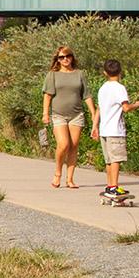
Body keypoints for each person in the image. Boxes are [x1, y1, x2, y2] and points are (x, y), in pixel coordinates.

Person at [42, 46, 98, 188]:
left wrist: (93, 113)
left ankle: (70, 179)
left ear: (72, 57)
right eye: (61, 57)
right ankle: (58, 173)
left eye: (67, 56)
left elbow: (86, 95)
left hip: (76, 114)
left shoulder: (80, 74)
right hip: (58, 114)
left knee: (73, 146)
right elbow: (47, 95)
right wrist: (45, 114)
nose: (65, 59)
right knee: (63, 144)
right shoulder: (52, 75)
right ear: (57, 60)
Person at [93, 59, 139, 200]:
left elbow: (99, 108)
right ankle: (114, 188)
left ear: (105, 73)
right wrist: (137, 104)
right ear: (120, 72)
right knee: (116, 160)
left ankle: (110, 186)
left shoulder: (103, 88)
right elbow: (126, 108)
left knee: (109, 160)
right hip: (115, 130)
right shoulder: (119, 88)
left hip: (104, 129)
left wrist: (94, 126)